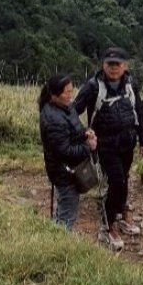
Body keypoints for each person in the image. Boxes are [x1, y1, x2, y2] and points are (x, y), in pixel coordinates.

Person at [74, 47, 143, 246]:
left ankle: (121, 215)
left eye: (118, 64)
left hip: (127, 142)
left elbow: (139, 111)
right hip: (105, 144)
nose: (114, 68)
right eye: (110, 64)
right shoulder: (93, 87)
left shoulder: (131, 83)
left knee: (124, 179)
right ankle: (108, 226)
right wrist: (83, 133)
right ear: (103, 65)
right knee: (116, 181)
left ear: (125, 66)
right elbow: (74, 111)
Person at [38, 73, 98, 231]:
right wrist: (88, 146)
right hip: (65, 173)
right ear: (54, 94)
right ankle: (60, 248)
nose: (71, 96)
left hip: (68, 170)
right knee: (67, 215)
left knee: (64, 210)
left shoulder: (65, 107)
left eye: (72, 91)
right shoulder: (53, 119)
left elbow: (72, 130)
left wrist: (85, 133)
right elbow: (65, 151)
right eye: (66, 92)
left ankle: (55, 238)